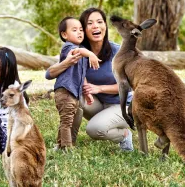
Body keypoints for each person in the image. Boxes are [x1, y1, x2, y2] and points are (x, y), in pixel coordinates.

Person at [46, 8, 133, 151]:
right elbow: (49, 74)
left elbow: (130, 86)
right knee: (73, 95)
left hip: (123, 106)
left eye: (99, 22)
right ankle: (67, 144)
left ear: (105, 26)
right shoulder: (78, 51)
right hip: (97, 105)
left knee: (94, 130)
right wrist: (67, 63)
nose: (96, 26)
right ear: (83, 29)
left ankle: (124, 134)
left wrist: (99, 88)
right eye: (90, 23)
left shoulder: (118, 51)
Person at [52, 16, 100, 150]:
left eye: (81, 30)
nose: (79, 32)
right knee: (66, 121)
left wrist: (87, 93)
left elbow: (82, 76)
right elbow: (77, 51)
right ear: (64, 34)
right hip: (65, 92)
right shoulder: (69, 48)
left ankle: (61, 145)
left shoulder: (82, 53)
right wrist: (90, 54)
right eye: (74, 30)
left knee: (69, 121)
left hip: (74, 93)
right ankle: (67, 147)